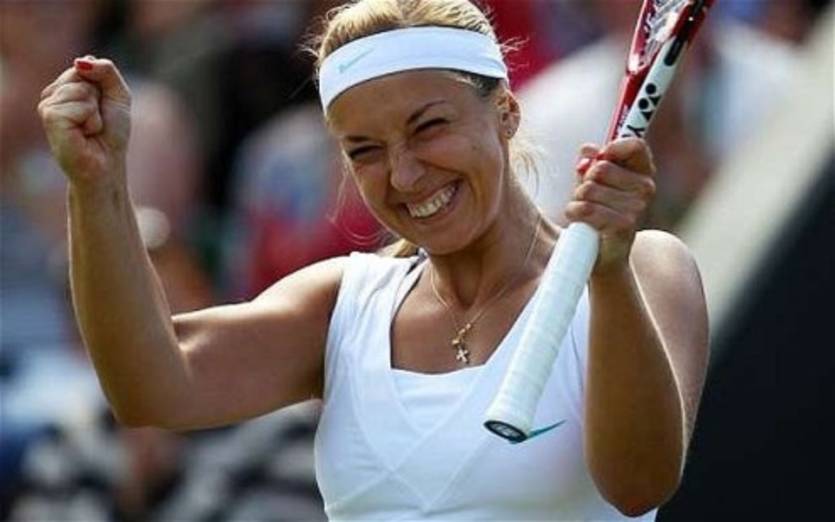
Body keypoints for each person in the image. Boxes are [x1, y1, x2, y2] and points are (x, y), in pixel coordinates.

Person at [37, 0, 708, 519]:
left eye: (429, 127)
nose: (405, 175)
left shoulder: (645, 269)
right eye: (365, 151)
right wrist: (96, 185)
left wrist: (608, 275)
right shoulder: (340, 303)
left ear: (505, 111)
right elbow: (149, 386)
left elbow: (637, 484)